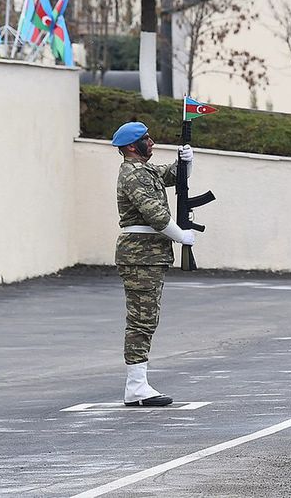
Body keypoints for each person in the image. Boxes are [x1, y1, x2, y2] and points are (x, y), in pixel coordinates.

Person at [111, 121, 195, 407]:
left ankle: (138, 384)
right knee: (141, 320)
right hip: (139, 255)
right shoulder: (133, 175)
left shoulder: (143, 171)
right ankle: (136, 387)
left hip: (149, 255)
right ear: (133, 146)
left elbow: (172, 176)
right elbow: (156, 216)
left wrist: (185, 161)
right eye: (146, 139)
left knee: (147, 319)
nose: (153, 142)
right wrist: (180, 235)